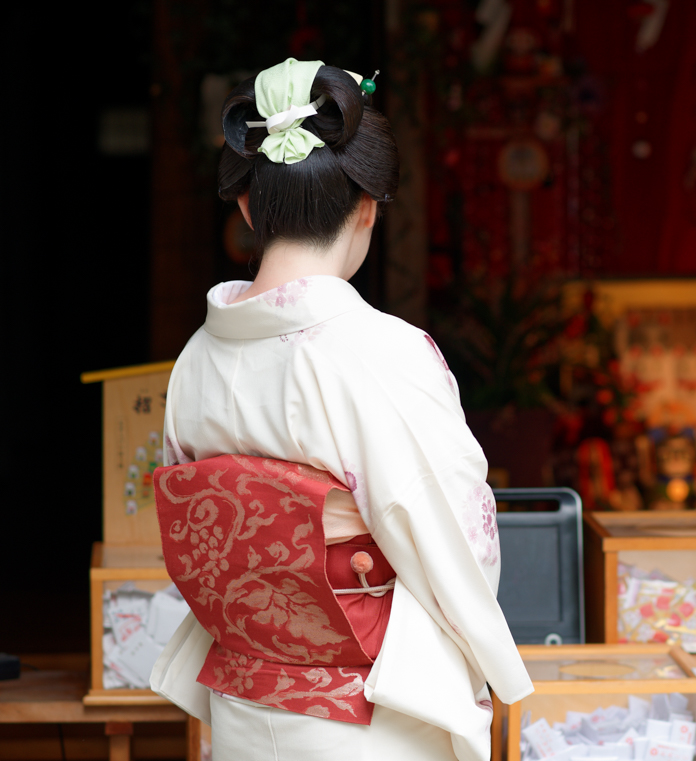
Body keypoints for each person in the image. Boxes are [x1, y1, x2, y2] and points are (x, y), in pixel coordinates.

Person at [149, 58, 533, 761]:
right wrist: (489, 665)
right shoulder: (381, 352)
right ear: (366, 207)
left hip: (240, 708)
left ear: (246, 207)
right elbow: (453, 541)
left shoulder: (194, 360)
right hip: (371, 717)